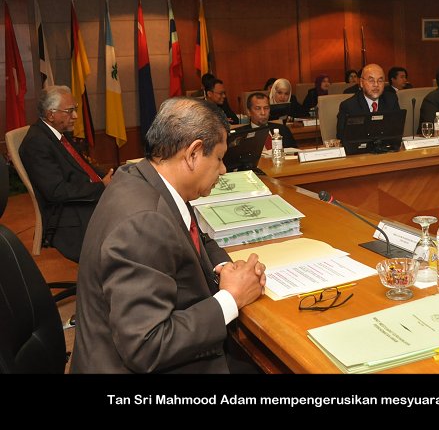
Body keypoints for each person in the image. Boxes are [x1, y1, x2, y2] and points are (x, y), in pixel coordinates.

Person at [71, 97, 267, 373]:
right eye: (219, 158)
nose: (223, 170)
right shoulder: (144, 223)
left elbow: (194, 236)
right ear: (193, 153)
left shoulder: (144, 178)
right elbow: (147, 346)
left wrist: (223, 267)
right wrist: (230, 298)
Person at [19, 85, 113, 263]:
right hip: (68, 216)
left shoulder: (58, 134)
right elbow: (57, 191)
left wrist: (109, 177)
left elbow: (84, 167)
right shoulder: (36, 143)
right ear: (51, 115)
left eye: (75, 109)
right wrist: (101, 187)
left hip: (84, 198)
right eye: (70, 111)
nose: (75, 116)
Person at [337, 63, 400, 140]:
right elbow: (342, 137)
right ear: (361, 83)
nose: (376, 84)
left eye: (380, 80)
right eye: (371, 80)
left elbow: (397, 130)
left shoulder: (391, 100)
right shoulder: (349, 106)